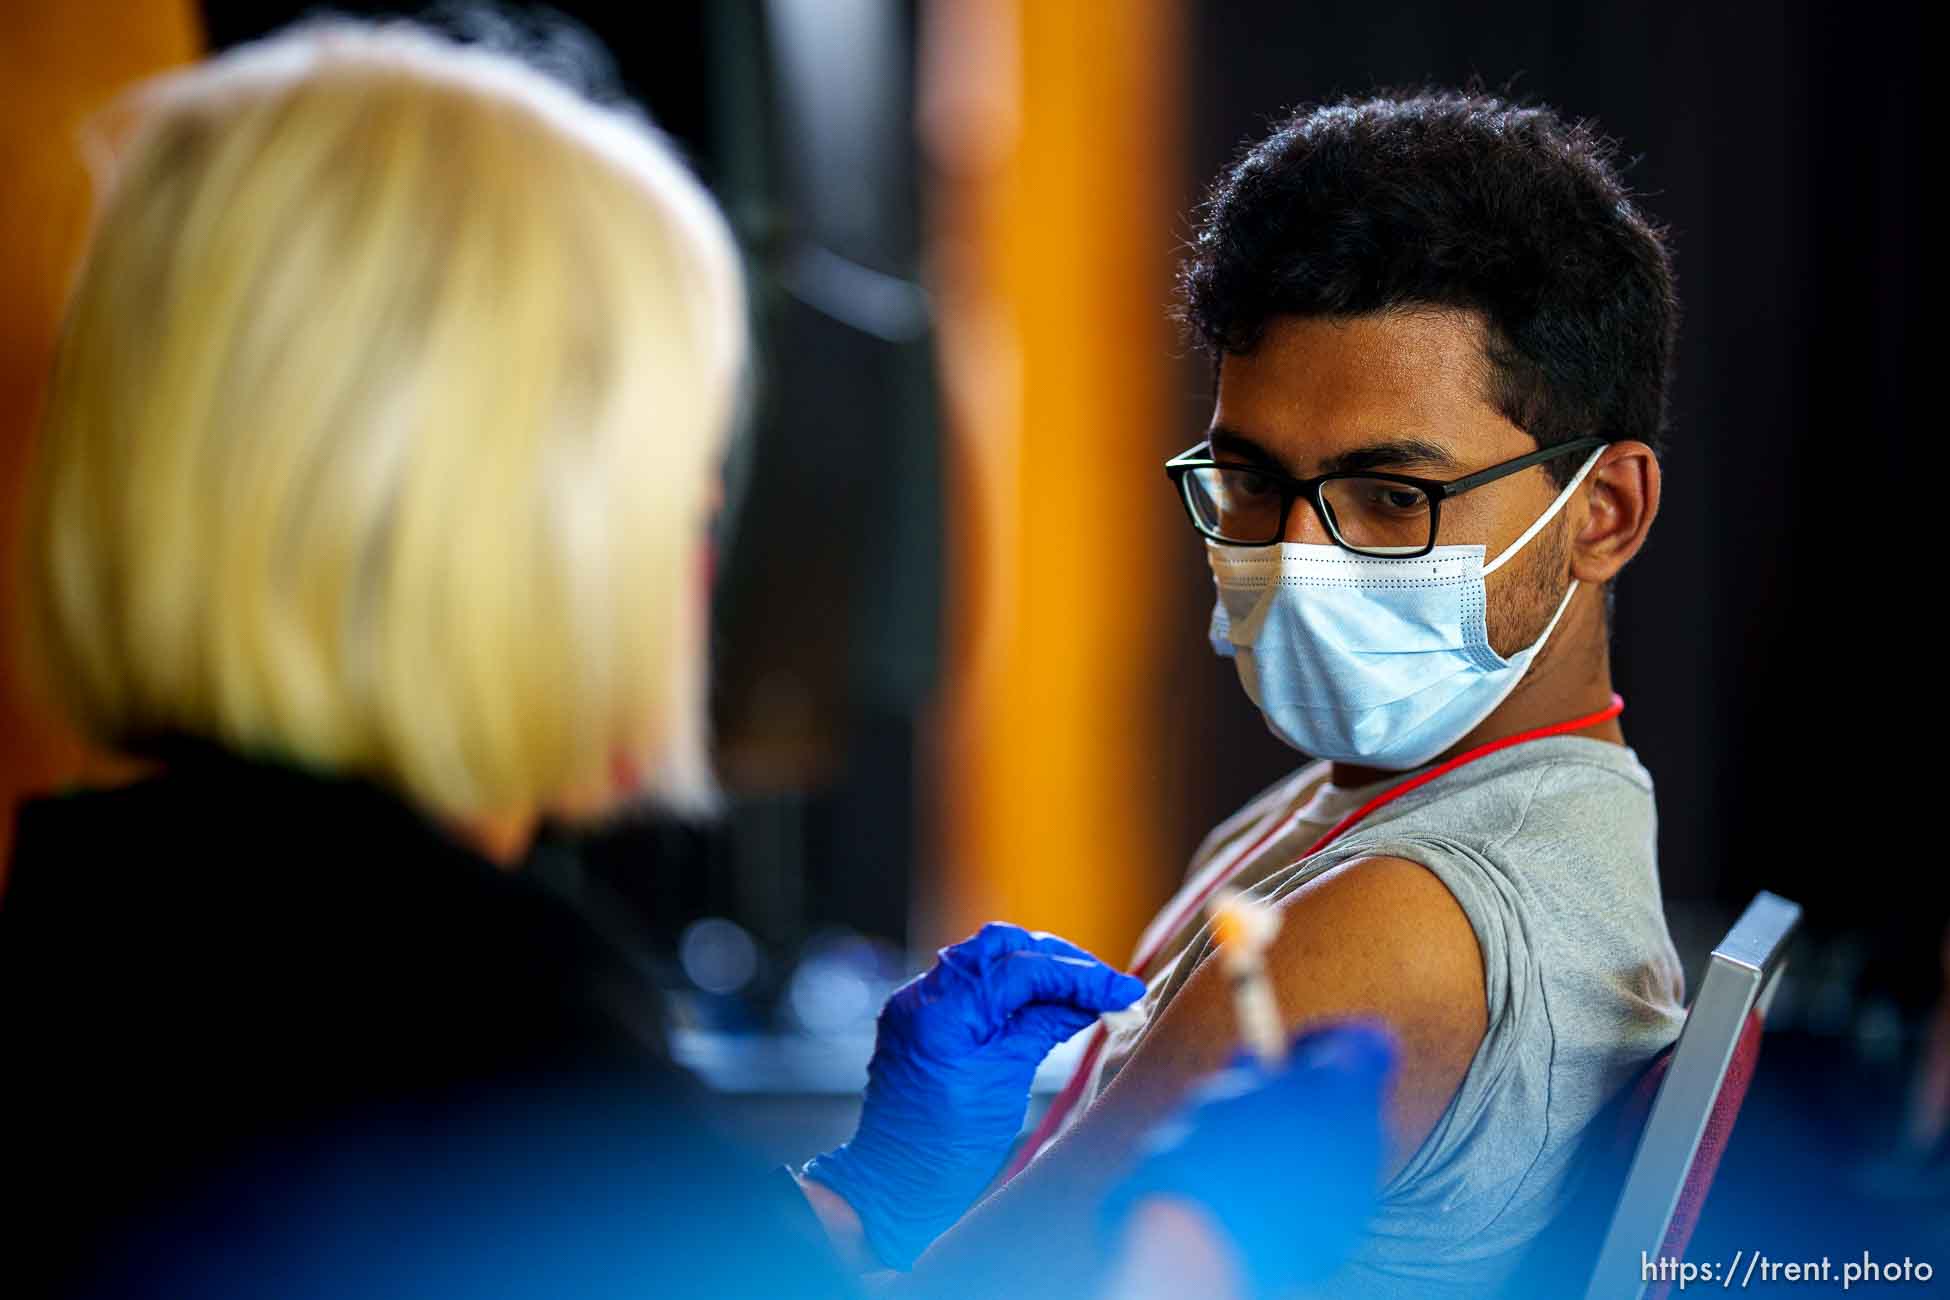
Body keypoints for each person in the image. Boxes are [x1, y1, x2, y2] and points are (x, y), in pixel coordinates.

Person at [0, 21, 1392, 1300]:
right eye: (680, 490)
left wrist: (853, 1208)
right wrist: (1193, 1256)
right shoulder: (477, 1044)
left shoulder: (104, 931)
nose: (702, 574)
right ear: (506, 531)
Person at [900, 92, 1688, 1298]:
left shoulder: (1394, 927)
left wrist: (873, 1191)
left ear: (1605, 512)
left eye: (1390, 494)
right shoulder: (1386, 800)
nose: (1301, 556)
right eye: (1254, 480)